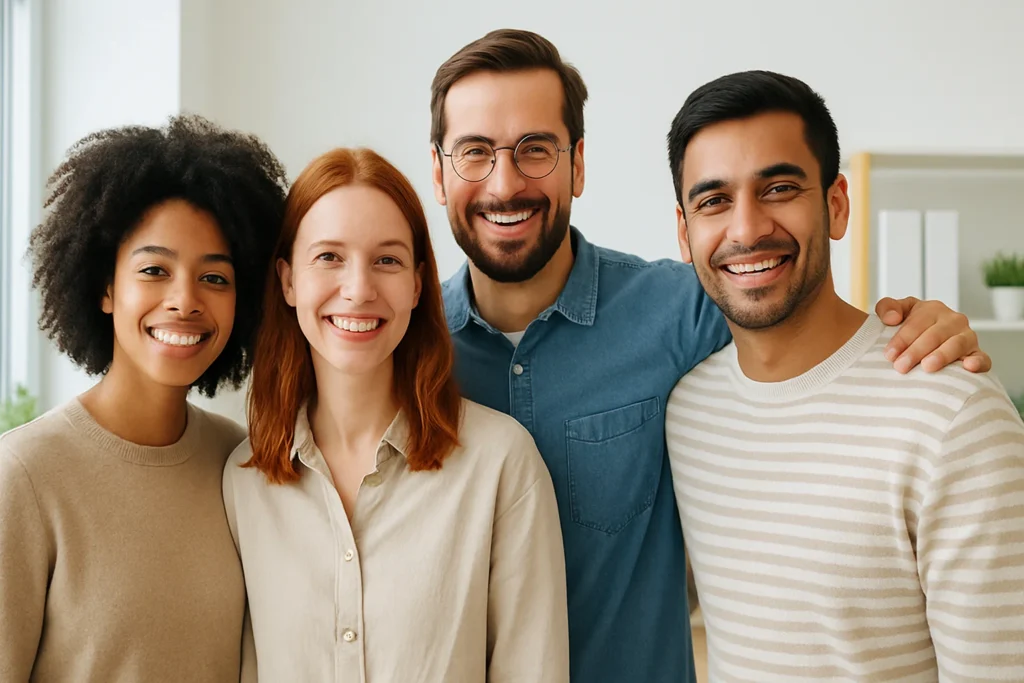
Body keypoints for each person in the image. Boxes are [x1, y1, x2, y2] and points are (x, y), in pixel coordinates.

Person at [429, 29, 993, 682]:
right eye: (474, 152)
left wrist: (916, 325)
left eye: (535, 149)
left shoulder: (681, 310)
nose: (504, 183)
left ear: (578, 164)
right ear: (439, 173)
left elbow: (791, 307)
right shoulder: (406, 348)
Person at [665, 70, 1024, 681]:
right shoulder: (687, 412)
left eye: (779, 188)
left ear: (836, 205)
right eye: (714, 201)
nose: (746, 229)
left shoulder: (953, 415)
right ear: (684, 232)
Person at [222, 147, 568, 683]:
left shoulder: (500, 464)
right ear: (288, 281)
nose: (359, 290)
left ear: (416, 284)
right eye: (329, 257)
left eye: (387, 260)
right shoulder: (244, 482)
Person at [0, 115, 287, 682]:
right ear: (106, 287)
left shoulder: (240, 463)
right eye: (155, 270)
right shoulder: (25, 476)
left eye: (215, 278)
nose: (185, 300)